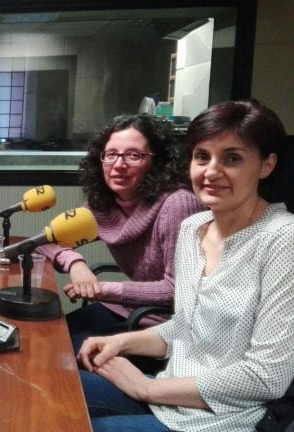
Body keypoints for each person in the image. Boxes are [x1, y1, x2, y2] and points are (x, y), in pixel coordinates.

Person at [77, 99, 294, 432]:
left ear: (266, 165)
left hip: (224, 419)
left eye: (232, 158)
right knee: (54, 389)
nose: (211, 172)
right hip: (170, 392)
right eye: (202, 157)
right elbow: (185, 327)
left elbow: (266, 378)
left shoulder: (283, 239)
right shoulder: (193, 228)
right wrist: (121, 342)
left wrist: (145, 387)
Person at [39, 114, 203, 353]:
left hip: (163, 327)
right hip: (127, 309)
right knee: (45, 339)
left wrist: (103, 290)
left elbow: (176, 290)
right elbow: (46, 241)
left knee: (59, 355)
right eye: (111, 154)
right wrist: (76, 265)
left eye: (133, 155)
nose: (118, 165)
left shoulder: (178, 204)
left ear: (157, 162)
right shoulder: (105, 205)